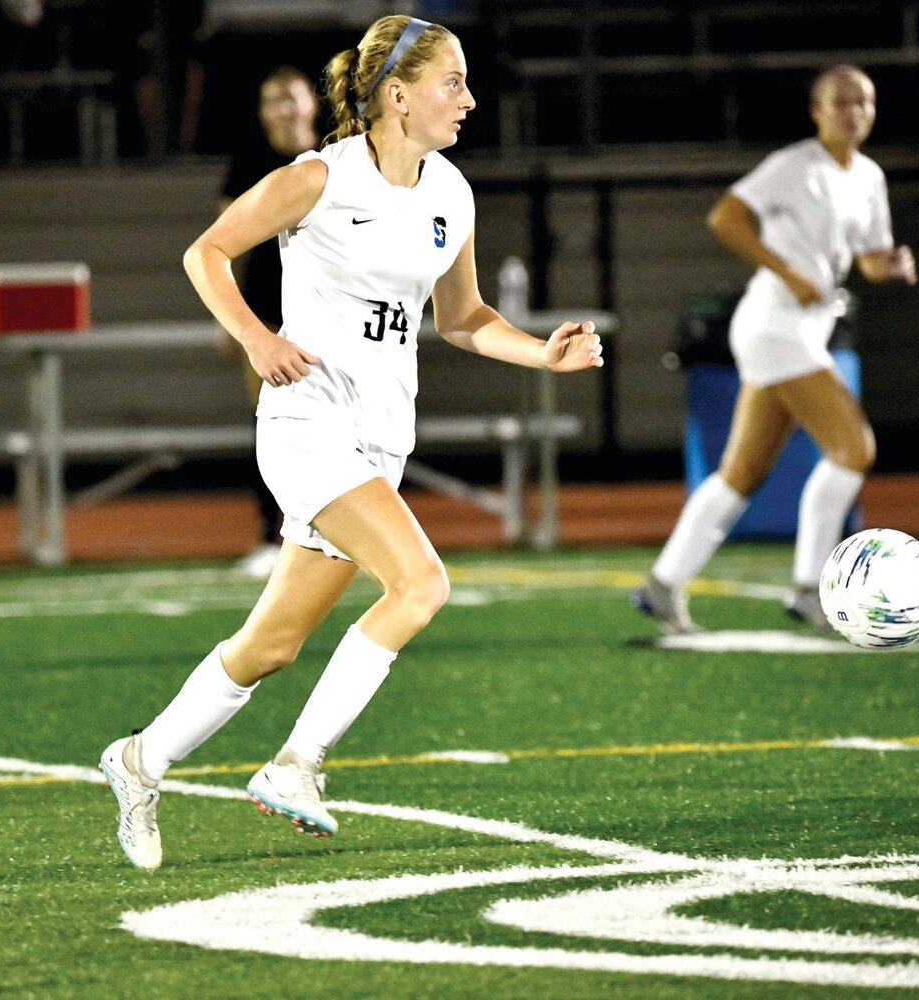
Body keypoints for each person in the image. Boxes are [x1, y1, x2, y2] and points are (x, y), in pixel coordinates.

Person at [98, 14, 603, 870]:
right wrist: (260, 341)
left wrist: (540, 353)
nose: (471, 99)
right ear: (397, 95)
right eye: (454, 83)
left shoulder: (451, 191)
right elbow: (208, 253)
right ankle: (296, 767)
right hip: (307, 426)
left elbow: (466, 318)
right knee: (420, 582)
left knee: (270, 646)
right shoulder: (317, 177)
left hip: (381, 439)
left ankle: (138, 760)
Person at [633, 64, 916, 635]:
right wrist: (787, 273)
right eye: (841, 101)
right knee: (853, 448)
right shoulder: (795, 165)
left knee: (742, 473)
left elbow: (866, 259)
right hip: (772, 324)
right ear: (816, 110)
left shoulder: (868, 177)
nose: (853, 111)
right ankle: (811, 588)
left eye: (864, 101)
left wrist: (892, 266)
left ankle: (662, 587)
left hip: (803, 331)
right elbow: (726, 217)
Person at [218, 65, 320, 579]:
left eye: (291, 98)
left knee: (340, 422)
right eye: (271, 100)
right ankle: (270, 535)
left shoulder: (333, 154)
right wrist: (231, 322)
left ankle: (338, 536)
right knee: (270, 424)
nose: (282, 109)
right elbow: (221, 245)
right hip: (264, 307)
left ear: (312, 104)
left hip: (327, 307)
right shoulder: (250, 162)